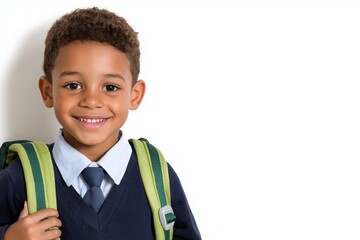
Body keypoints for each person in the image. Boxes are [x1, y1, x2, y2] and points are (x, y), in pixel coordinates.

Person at [0, 7, 201, 240]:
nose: (91, 101)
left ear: (135, 95)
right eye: (73, 85)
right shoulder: (22, 176)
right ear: (48, 92)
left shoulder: (157, 174)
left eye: (110, 87)